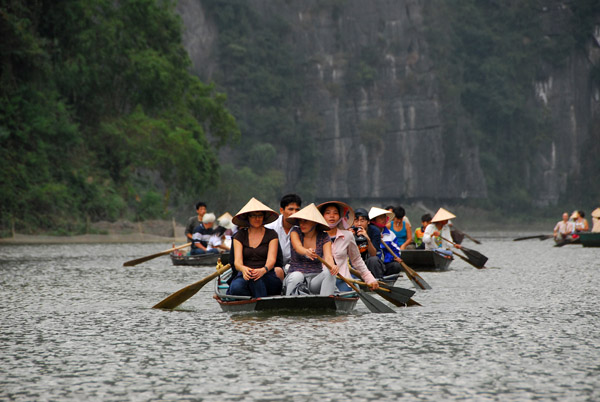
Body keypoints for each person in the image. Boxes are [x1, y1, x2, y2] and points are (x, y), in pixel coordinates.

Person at [226, 198, 282, 298]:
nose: (257, 219)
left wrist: (262, 270)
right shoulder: (239, 236)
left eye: (260, 215)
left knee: (258, 281)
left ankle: (259, 306)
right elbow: (237, 262)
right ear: (248, 218)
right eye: (253, 216)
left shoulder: (272, 234)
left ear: (263, 217)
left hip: (267, 275)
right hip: (245, 275)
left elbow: (272, 260)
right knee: (236, 288)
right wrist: (244, 269)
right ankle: (251, 303)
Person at [318, 201, 378, 292]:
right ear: (322, 216)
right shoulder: (316, 236)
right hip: (319, 279)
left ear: (340, 217)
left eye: (335, 213)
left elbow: (357, 260)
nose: (332, 216)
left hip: (343, 279)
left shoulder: (348, 236)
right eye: (328, 213)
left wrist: (370, 279)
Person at [284, 203, 338, 296]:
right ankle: (291, 303)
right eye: (300, 221)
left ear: (314, 222)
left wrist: (332, 267)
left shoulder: (324, 236)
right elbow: (298, 247)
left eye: (305, 221)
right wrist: (306, 251)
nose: (302, 224)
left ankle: (326, 304)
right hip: (295, 277)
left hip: (314, 280)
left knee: (329, 272)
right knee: (297, 276)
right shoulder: (295, 231)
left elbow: (328, 257)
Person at [265, 194, 302, 280]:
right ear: (282, 210)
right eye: (291, 209)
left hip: (295, 269)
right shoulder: (270, 227)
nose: (294, 213)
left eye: (297, 209)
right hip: (272, 268)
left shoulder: (302, 228)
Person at [350, 208, 386, 278]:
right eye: (356, 221)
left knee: (373, 260)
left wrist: (367, 239)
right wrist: (349, 237)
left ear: (368, 222)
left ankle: (376, 281)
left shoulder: (374, 231)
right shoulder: (350, 231)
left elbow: (373, 254)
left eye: (362, 221)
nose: (359, 224)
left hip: (370, 262)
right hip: (355, 262)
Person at [368, 207, 403, 277]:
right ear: (374, 220)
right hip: (371, 265)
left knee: (396, 266)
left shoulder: (390, 234)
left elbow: (397, 251)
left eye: (384, 217)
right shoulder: (367, 233)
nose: (383, 220)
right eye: (381, 218)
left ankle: (383, 278)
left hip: (386, 265)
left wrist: (394, 258)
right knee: (374, 261)